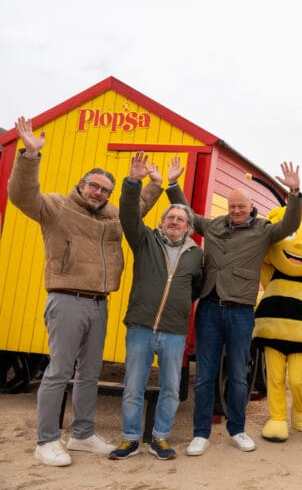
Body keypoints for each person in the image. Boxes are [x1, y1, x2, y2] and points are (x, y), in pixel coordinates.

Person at [8, 116, 162, 466]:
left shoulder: (111, 216)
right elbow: (21, 195)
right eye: (94, 186)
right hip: (66, 300)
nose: (99, 193)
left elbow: (134, 211)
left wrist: (151, 185)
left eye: (105, 190)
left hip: (98, 302)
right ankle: (46, 440)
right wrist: (30, 156)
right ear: (81, 185)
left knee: (90, 372)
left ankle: (82, 434)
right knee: (59, 371)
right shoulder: (56, 207)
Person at [165, 158, 302, 456]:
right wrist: (173, 185)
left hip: (240, 312)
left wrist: (294, 193)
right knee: (204, 374)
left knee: (239, 374)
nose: (236, 211)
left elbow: (290, 223)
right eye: (232, 207)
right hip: (210, 309)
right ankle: (200, 433)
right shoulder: (213, 225)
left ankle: (237, 429)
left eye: (241, 206)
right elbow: (188, 214)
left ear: (251, 207)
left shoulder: (264, 230)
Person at [109, 153, 204, 461]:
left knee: (172, 389)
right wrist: (134, 182)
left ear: (188, 226)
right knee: (133, 386)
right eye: (170, 218)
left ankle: (160, 438)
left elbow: (197, 287)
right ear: (162, 222)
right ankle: (130, 438)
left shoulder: (195, 254)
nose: (174, 222)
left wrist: (179, 306)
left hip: (174, 332)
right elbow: (128, 216)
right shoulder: (145, 240)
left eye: (180, 219)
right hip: (140, 326)